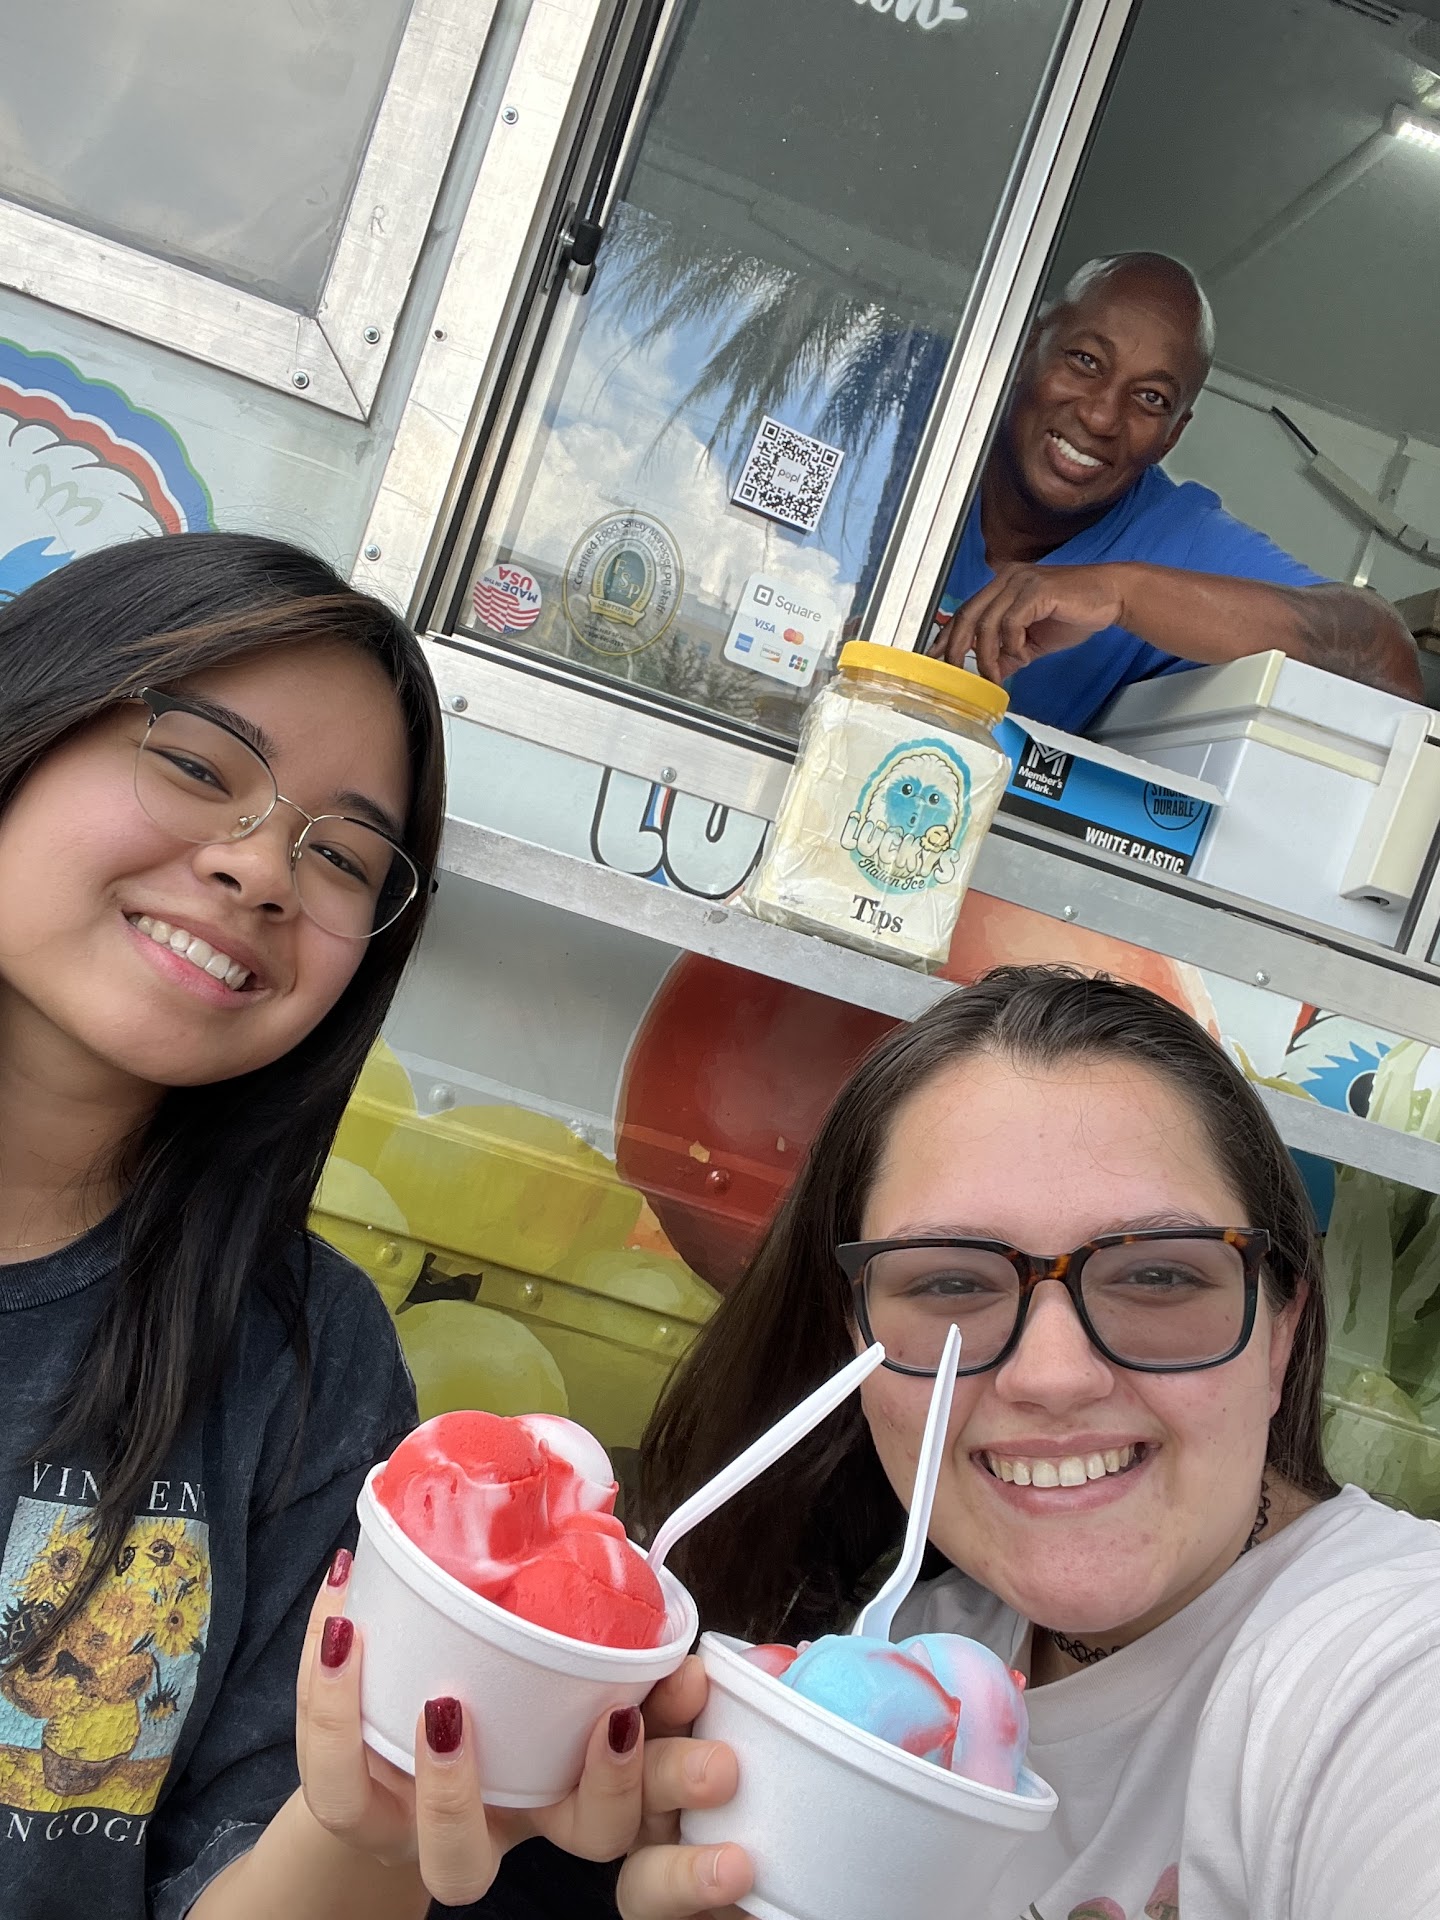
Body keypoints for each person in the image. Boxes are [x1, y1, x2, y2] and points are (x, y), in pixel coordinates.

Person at [0, 533, 646, 1920]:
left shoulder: (306, 1359)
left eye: (342, 856)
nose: (260, 871)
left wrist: (377, 1820)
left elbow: (240, 1871)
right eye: (198, 766)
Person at [616, 966, 1440, 1920]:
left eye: (1160, 1277)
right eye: (950, 1284)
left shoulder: (1390, 1671)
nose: (1053, 1376)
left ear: (1280, 1340)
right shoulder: (918, 1652)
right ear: (858, 1350)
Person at [931, 253, 1424, 733]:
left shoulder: (1175, 536)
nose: (1101, 417)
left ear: (1172, 436)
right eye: (1085, 361)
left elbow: (1386, 658)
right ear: (1027, 350)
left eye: (1151, 398)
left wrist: (1121, 592)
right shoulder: (921, 409)